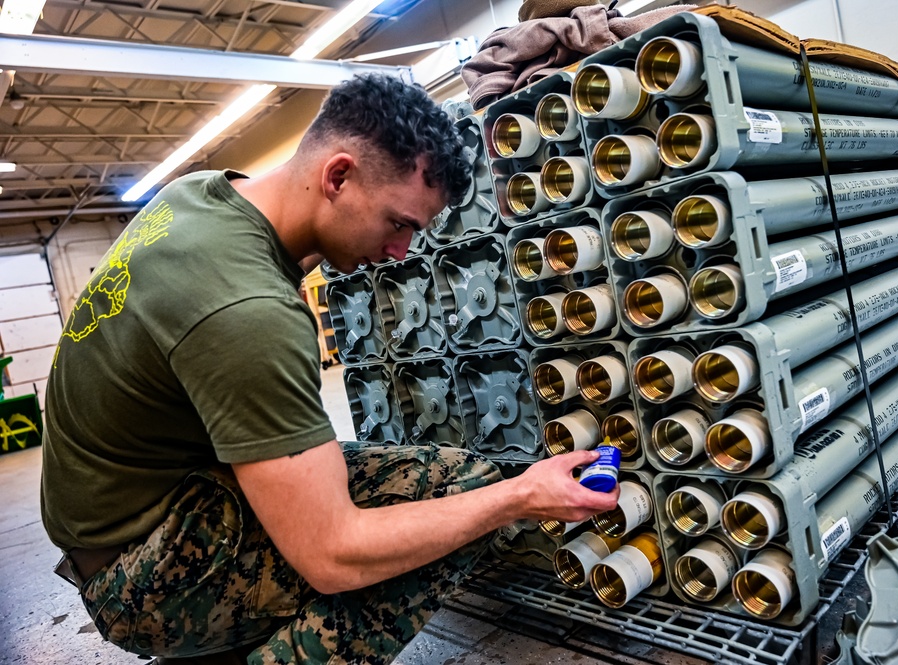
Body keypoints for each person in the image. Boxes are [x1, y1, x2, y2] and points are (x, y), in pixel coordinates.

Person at [40, 74, 619, 664]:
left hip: (143, 513)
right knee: (467, 505)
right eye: (400, 224)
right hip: (138, 576)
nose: (403, 252)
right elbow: (332, 555)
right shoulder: (249, 312)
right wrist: (521, 496)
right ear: (337, 176)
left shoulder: (201, 196)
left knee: (446, 480)